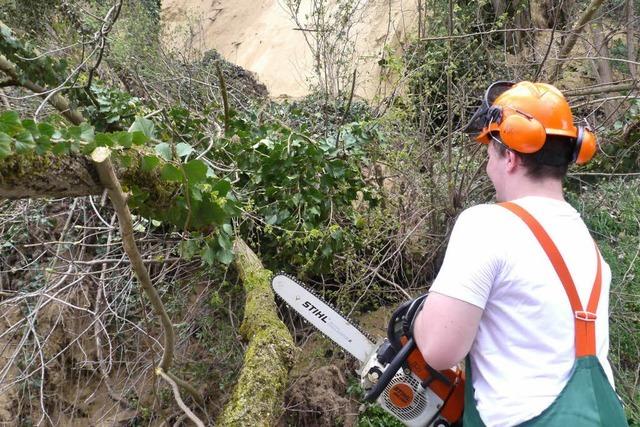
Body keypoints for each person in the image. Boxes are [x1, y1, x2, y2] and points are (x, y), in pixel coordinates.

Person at [412, 81, 628, 426]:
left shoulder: (486, 224)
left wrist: (419, 321)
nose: (488, 166)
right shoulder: (584, 238)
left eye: (489, 153)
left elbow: (440, 350)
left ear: (509, 157)